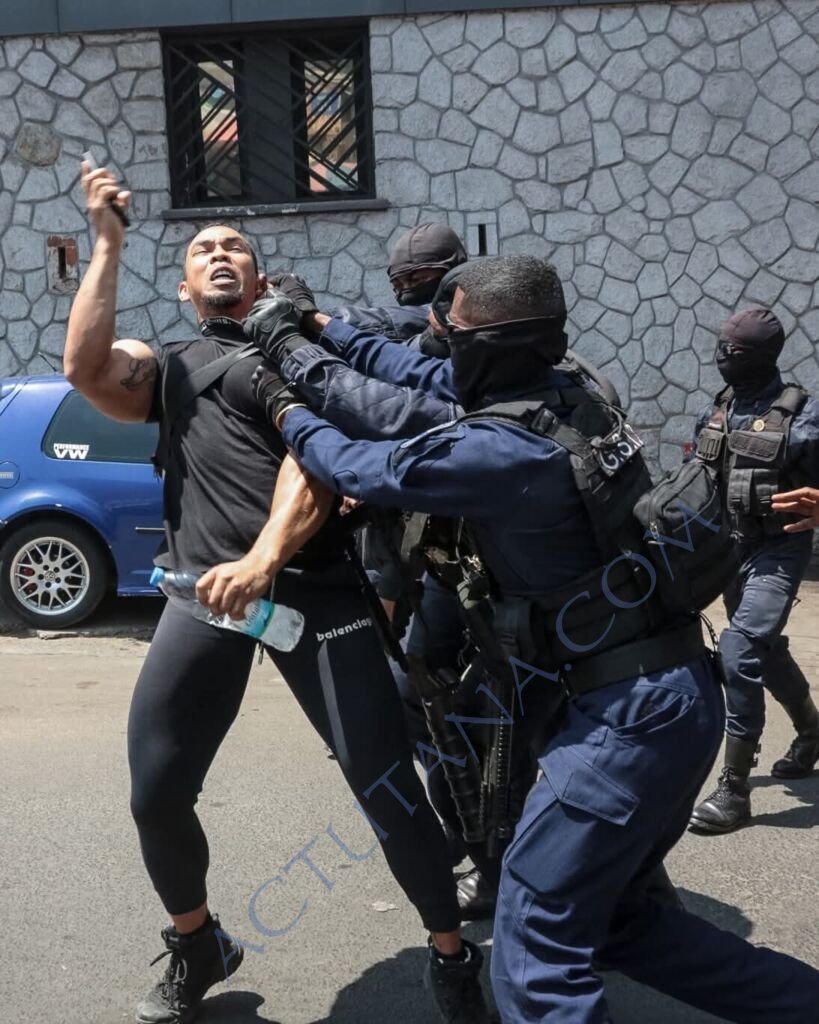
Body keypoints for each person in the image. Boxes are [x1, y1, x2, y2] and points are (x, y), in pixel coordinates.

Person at [251, 257, 819, 1024]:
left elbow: (357, 461)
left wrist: (280, 396)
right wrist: (307, 330)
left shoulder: (505, 452)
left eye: (451, 330)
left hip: (624, 722)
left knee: (535, 956)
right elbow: (409, 377)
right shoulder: (567, 389)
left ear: (488, 346)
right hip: (665, 695)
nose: (437, 339)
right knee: (620, 924)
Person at [64, 161, 492, 1024]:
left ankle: (451, 952)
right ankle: (199, 943)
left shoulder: (301, 356)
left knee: (384, 787)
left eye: (236, 247)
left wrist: (264, 558)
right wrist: (106, 242)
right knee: (156, 792)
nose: (220, 254)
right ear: (185, 289)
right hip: (203, 598)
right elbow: (85, 367)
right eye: (203, 249)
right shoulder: (171, 366)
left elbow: (313, 464)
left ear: (259, 280)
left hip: (316, 595)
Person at [689, 308, 819, 835]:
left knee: (740, 650)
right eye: (721, 346)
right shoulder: (719, 407)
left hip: (779, 549)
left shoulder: (804, 415)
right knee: (764, 649)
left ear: (764, 357)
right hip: (728, 549)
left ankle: (734, 789)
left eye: (735, 351)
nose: (723, 357)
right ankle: (811, 732)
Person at [333, 222, 468, 343]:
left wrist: (330, 322)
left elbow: (417, 317)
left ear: (452, 272)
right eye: (398, 287)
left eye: (417, 279)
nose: (407, 293)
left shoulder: (471, 315)